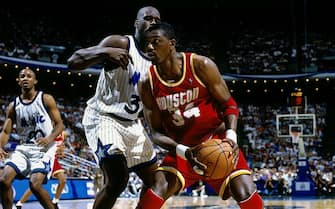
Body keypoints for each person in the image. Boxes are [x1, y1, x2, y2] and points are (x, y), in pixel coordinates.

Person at [137, 22, 264, 209]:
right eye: (146, 44)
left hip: (216, 143)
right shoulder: (147, 83)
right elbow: (155, 133)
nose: (149, 47)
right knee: (156, 187)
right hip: (183, 152)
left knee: (245, 193)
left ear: (172, 43)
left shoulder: (200, 65)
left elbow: (229, 105)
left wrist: (231, 137)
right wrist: (183, 151)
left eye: (156, 42)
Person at [67, 6, 161, 209]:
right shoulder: (120, 42)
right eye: (147, 18)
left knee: (158, 183)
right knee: (118, 180)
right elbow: (72, 62)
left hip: (133, 125)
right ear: (136, 23)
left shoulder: (159, 60)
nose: (153, 22)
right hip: (104, 117)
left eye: (157, 20)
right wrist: (105, 51)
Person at [0, 67, 64, 209]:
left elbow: (60, 125)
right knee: (4, 181)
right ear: (18, 81)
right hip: (23, 148)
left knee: (35, 184)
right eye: (22, 76)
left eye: (29, 76)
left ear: (35, 81)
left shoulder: (46, 99)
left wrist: (49, 138)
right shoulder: (13, 106)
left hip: (44, 149)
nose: (25, 78)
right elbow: (5, 131)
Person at [15, 132, 67, 209]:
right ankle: (19, 203)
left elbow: (61, 147)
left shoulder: (63, 134)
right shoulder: (46, 130)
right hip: (45, 158)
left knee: (63, 180)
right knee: (36, 185)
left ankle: (55, 201)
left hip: (54, 160)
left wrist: (61, 151)